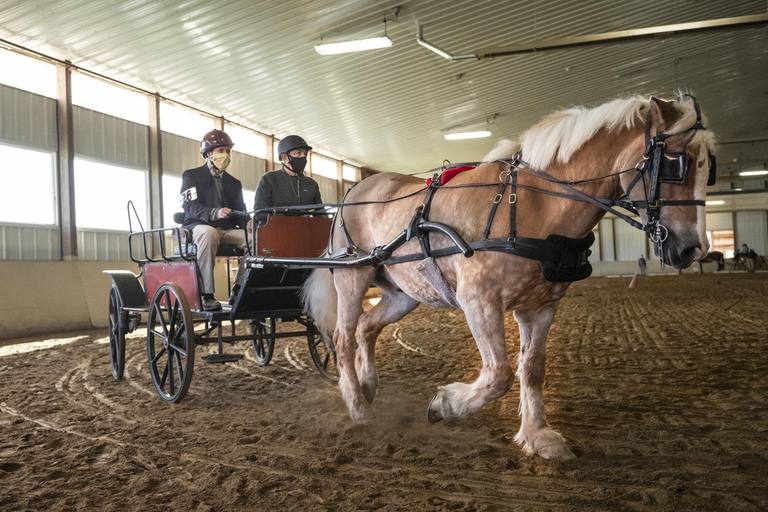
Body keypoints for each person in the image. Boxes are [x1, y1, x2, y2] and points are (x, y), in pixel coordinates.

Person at [180, 129, 247, 311]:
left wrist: (248, 224)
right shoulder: (191, 176)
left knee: (255, 240)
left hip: (226, 230)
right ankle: (206, 295)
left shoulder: (234, 183)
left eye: (228, 151)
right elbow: (190, 207)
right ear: (209, 153)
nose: (225, 155)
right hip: (200, 227)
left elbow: (242, 211)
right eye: (221, 151)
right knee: (209, 234)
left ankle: (240, 288)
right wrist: (214, 213)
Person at [253, 135, 322, 223]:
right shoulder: (269, 179)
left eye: (305, 153)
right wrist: (290, 218)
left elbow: (321, 215)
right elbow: (259, 212)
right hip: (275, 232)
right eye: (298, 153)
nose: (303, 157)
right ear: (284, 157)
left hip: (306, 232)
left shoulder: (312, 184)